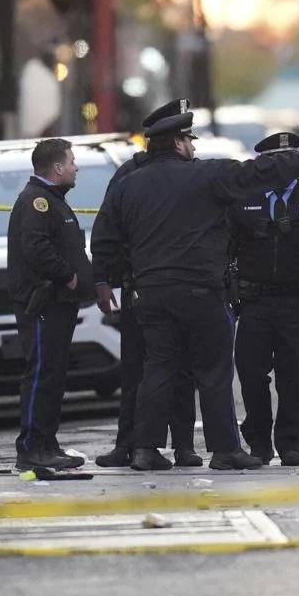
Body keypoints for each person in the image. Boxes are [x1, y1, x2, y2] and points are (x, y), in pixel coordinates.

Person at [92, 110, 299, 471]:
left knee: (158, 368)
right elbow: (258, 172)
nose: (193, 146)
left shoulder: (129, 183)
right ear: (178, 143)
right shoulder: (207, 176)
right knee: (213, 370)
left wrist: (103, 280)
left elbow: (106, 235)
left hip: (151, 292)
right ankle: (225, 449)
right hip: (199, 291)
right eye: (189, 140)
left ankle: (144, 449)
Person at [93, 99, 201, 468]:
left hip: (171, 285)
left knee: (182, 369)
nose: (191, 146)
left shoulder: (193, 173)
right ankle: (130, 443)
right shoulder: (129, 174)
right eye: (186, 138)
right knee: (136, 369)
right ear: (171, 140)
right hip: (138, 284)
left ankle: (183, 445)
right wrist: (105, 280)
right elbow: (107, 231)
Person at [229, 132, 299, 467]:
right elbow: (226, 249)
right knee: (251, 374)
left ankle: (291, 444)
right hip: (254, 303)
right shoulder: (244, 198)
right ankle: (258, 442)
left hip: (296, 303)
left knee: (292, 377)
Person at [6, 138, 94, 471]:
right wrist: (69, 276)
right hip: (45, 302)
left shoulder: (51, 199)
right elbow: (37, 249)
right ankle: (30, 448)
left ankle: (47, 442)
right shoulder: (37, 202)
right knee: (42, 373)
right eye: (71, 161)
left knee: (54, 374)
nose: (76, 167)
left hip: (59, 304)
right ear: (57, 168)